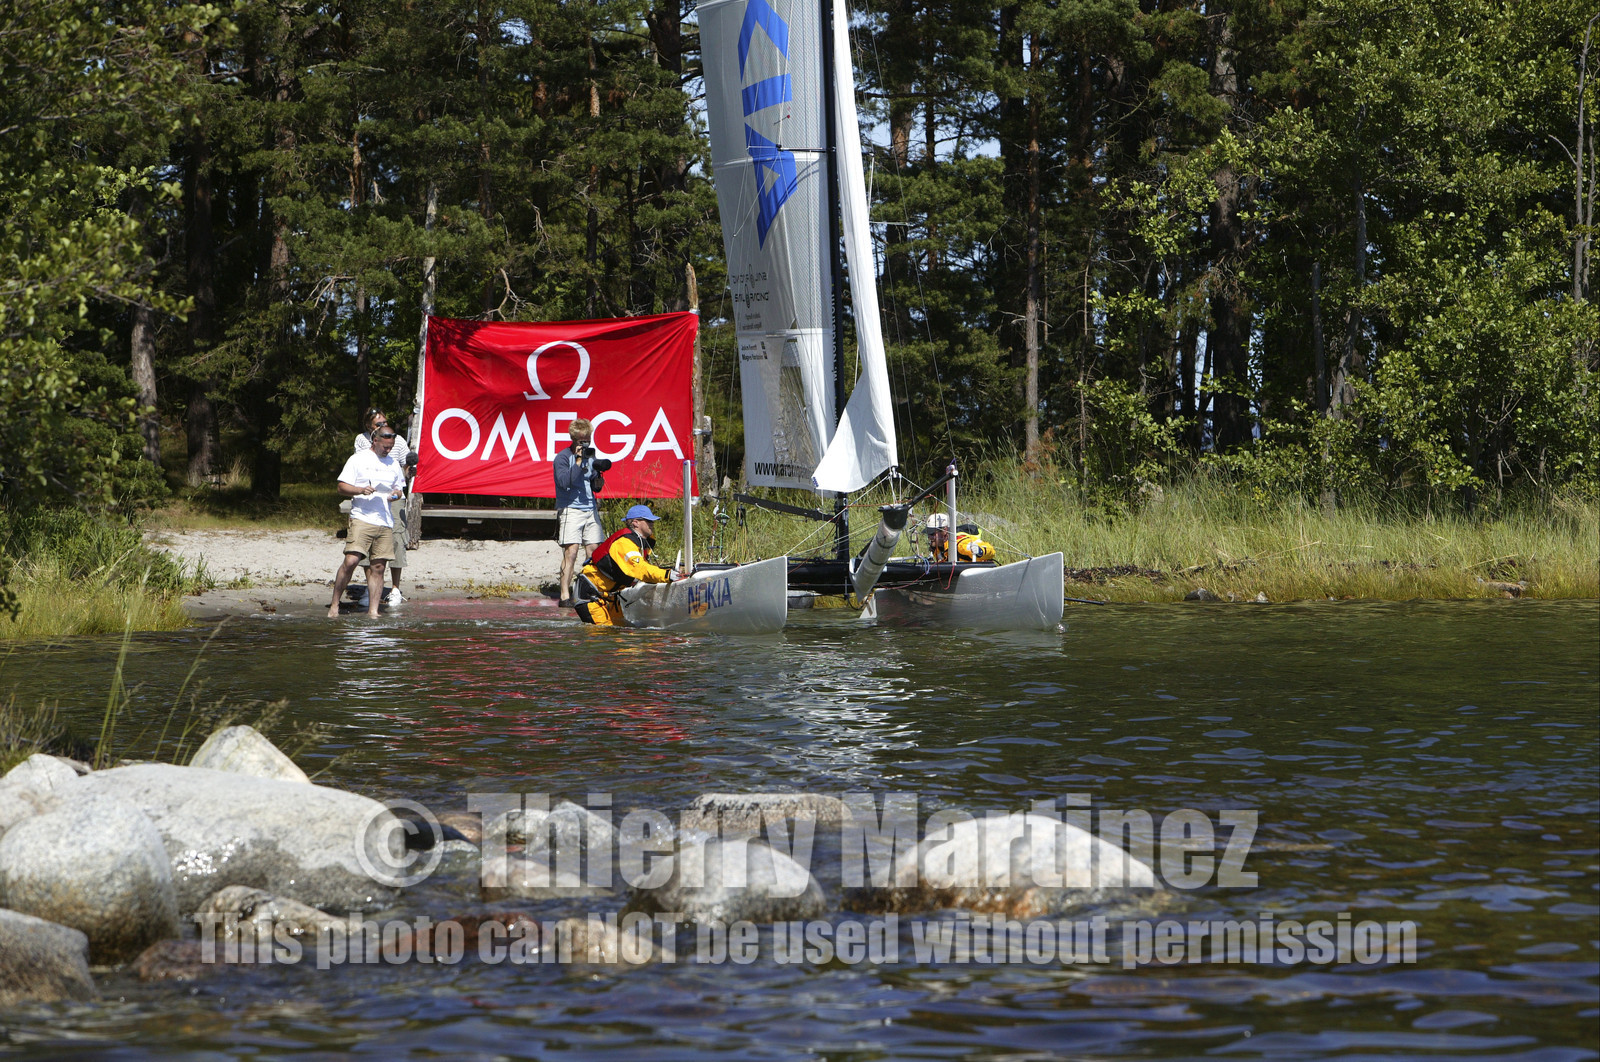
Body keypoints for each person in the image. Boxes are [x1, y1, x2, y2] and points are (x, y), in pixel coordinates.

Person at [329, 427, 407, 618]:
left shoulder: (393, 463)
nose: (388, 450)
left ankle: (373, 611)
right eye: (385, 447)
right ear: (375, 441)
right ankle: (334, 604)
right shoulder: (358, 459)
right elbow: (341, 487)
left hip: (385, 520)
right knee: (351, 560)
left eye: (391, 447)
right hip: (362, 517)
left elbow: (399, 489)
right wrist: (360, 490)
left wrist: (396, 494)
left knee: (379, 567)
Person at [574, 504, 680, 626]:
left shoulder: (642, 542)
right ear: (636, 523)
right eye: (649, 520)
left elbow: (644, 567)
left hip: (611, 597)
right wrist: (667, 575)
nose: (652, 524)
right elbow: (639, 569)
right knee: (603, 634)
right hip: (590, 597)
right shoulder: (624, 543)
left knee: (622, 631)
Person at [350, 410, 415, 606]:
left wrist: (409, 470)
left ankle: (395, 588)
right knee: (366, 541)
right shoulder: (362, 440)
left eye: (385, 422)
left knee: (396, 538)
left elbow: (404, 469)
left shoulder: (399, 441)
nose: (382, 426)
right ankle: (370, 589)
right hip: (370, 497)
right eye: (378, 424)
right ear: (369, 426)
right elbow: (364, 461)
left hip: (393, 497)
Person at [553, 418, 611, 607]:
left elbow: (592, 482)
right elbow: (564, 483)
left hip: (590, 508)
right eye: (581, 441)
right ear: (573, 439)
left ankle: (589, 590)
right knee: (571, 551)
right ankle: (564, 595)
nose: (585, 444)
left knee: (593, 551)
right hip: (571, 508)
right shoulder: (562, 458)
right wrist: (577, 461)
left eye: (588, 440)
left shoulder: (591, 456)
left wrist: (598, 482)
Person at [925, 512, 997, 563]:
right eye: (928, 533)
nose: (929, 537)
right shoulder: (937, 548)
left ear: (944, 531)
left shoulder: (960, 544)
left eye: (932, 534)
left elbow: (991, 550)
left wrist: (980, 551)